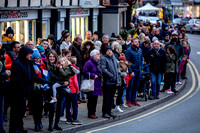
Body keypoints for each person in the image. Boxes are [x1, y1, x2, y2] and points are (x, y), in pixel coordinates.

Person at [9, 46, 49, 133]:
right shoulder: (16, 63)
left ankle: (20, 128)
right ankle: (14, 129)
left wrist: (45, 81)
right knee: (16, 111)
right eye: (30, 54)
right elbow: (17, 79)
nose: (31, 55)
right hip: (17, 92)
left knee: (21, 111)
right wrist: (24, 89)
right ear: (25, 54)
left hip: (25, 91)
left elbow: (33, 76)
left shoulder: (29, 63)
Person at [31, 49, 50, 132]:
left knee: (40, 107)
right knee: (35, 107)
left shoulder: (43, 64)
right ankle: (36, 123)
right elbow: (34, 77)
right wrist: (44, 81)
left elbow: (46, 74)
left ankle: (39, 121)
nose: (38, 60)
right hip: (35, 89)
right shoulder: (31, 66)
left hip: (42, 88)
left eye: (39, 58)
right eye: (35, 58)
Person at [100, 46, 121, 118]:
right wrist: (111, 75)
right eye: (108, 50)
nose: (109, 51)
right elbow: (103, 69)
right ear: (105, 51)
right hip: (108, 82)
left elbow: (117, 67)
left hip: (114, 81)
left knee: (111, 98)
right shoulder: (103, 58)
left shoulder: (113, 58)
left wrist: (118, 73)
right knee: (107, 98)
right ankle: (105, 112)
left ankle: (109, 111)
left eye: (110, 50)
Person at [83, 49, 102, 119]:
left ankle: (93, 112)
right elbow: (84, 71)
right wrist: (92, 75)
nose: (99, 55)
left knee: (95, 99)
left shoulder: (97, 62)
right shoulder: (89, 62)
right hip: (91, 83)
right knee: (91, 99)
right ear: (93, 55)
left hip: (97, 83)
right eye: (98, 54)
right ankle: (90, 113)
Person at [125, 38, 143, 107]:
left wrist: (141, 67)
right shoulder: (128, 51)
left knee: (136, 86)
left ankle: (133, 100)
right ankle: (128, 100)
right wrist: (130, 71)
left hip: (138, 70)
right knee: (130, 86)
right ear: (132, 43)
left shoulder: (140, 50)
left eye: (138, 42)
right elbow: (127, 62)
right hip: (132, 71)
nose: (137, 43)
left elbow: (141, 59)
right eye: (135, 42)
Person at [66, 56, 82, 125]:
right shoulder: (74, 69)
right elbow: (75, 82)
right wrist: (77, 90)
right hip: (73, 90)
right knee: (75, 105)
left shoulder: (66, 69)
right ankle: (74, 119)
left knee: (68, 105)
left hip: (67, 90)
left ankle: (68, 119)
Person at [0, 49, 11, 133]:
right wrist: (5, 74)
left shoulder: (2, 62)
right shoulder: (0, 62)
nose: (5, 56)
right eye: (4, 54)